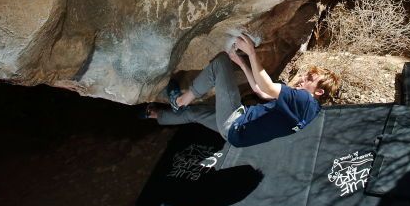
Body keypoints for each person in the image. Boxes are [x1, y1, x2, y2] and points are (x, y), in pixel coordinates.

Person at [143, 33, 340, 147]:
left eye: (310, 79)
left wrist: (252, 53)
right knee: (196, 113)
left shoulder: (304, 100)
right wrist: (242, 62)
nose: (304, 78)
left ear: (319, 92)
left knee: (219, 63)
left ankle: (179, 101)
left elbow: (267, 87)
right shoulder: (311, 111)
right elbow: (261, 92)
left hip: (235, 123)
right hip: (236, 136)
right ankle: (155, 115)